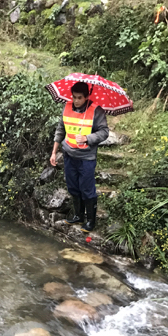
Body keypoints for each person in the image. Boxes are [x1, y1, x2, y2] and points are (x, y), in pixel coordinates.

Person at [49, 81, 109, 232]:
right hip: (69, 154)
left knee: (87, 189)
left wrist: (88, 138)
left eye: (80, 98)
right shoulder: (67, 107)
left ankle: (91, 221)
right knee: (73, 187)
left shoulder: (96, 111)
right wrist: (54, 152)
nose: (76, 101)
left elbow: (104, 132)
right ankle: (78, 215)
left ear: (87, 96)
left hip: (86, 158)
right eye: (74, 97)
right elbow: (60, 130)